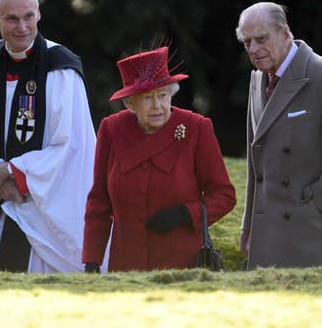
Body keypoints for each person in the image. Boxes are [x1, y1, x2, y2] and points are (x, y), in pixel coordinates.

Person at [0, 0, 96, 273]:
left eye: (29, 16)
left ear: (38, 14)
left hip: (39, 205)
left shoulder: (61, 67)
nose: (22, 27)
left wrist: (13, 172)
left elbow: (73, 145)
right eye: (11, 19)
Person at [235, 2, 322, 268]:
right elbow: (257, 167)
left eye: (261, 39)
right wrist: (248, 226)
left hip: (316, 235)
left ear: (285, 33)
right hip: (268, 232)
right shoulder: (257, 79)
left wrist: (318, 204)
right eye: (247, 42)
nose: (253, 49)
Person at [81, 45, 236, 272]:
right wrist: (92, 259)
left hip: (181, 266)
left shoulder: (196, 128)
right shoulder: (112, 129)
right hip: (126, 266)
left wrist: (186, 214)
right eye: (147, 98)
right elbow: (99, 201)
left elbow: (224, 195)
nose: (157, 106)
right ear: (131, 103)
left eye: (163, 96)